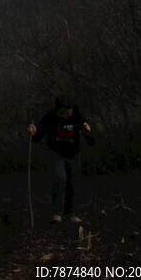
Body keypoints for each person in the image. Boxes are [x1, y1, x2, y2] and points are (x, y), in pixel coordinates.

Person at [28, 96, 95, 224]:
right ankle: (56, 212)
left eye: (68, 112)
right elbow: (38, 135)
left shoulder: (77, 115)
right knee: (60, 178)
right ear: (58, 110)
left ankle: (71, 213)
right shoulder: (51, 116)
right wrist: (33, 132)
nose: (66, 115)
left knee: (72, 182)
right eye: (62, 113)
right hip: (55, 152)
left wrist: (88, 133)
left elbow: (90, 138)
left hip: (73, 153)